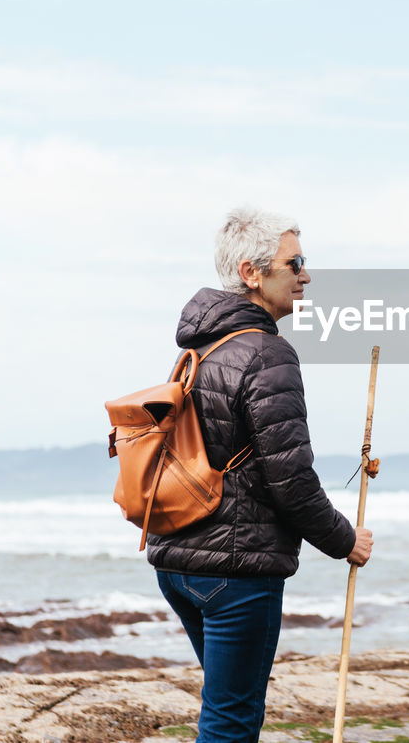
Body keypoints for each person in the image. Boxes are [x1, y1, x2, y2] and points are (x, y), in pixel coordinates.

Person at [146, 206, 373, 743]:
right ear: (252, 273)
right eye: (295, 263)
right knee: (231, 723)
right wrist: (346, 541)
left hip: (177, 563)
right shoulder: (269, 353)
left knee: (225, 709)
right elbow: (289, 479)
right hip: (236, 573)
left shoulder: (197, 350)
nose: (305, 275)